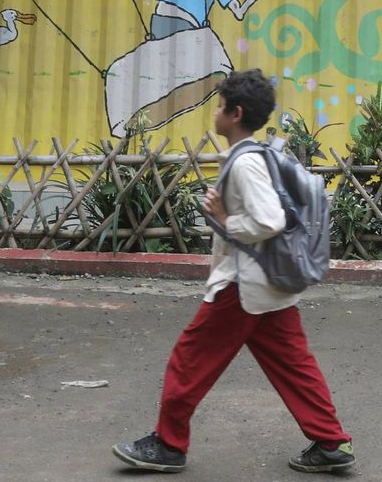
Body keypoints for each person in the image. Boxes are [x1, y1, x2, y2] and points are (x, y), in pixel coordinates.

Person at [112, 69, 354, 474]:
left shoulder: (245, 164)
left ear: (235, 113)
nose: (215, 113)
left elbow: (270, 220)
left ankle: (169, 444)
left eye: (219, 106)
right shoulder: (256, 156)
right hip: (269, 286)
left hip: (242, 285)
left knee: (189, 361)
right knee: (294, 365)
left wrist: (225, 219)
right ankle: (332, 443)